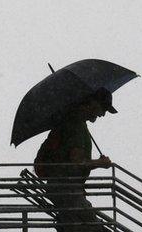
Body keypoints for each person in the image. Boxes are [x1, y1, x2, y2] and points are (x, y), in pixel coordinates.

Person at [34, 88, 114, 232]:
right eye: (103, 108)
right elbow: (76, 162)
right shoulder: (76, 125)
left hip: (59, 188)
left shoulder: (72, 121)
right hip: (67, 189)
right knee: (93, 227)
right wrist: (100, 163)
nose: (103, 114)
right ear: (92, 103)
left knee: (75, 227)